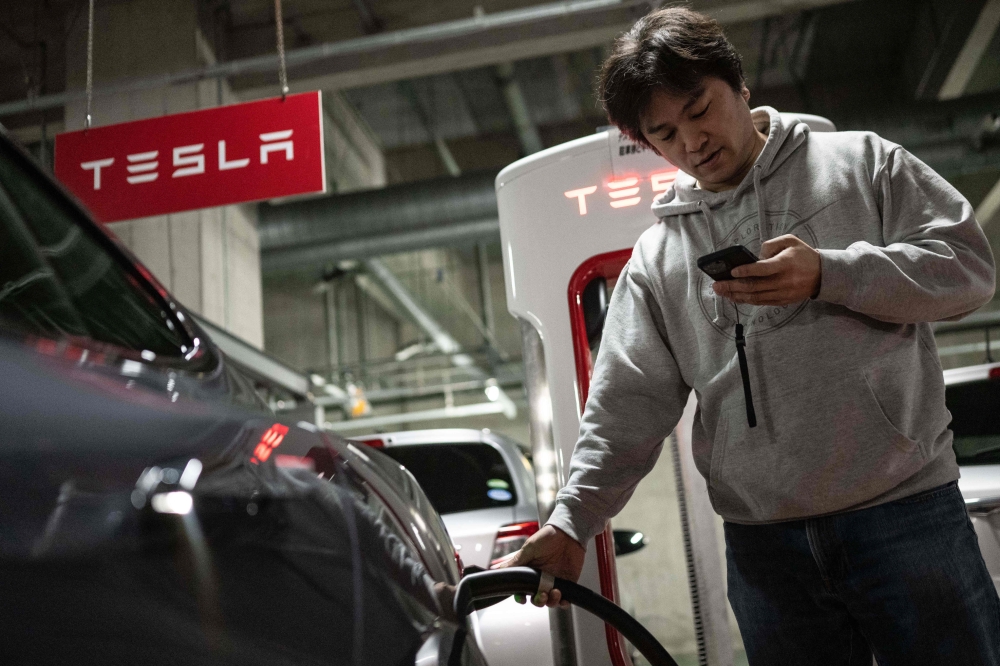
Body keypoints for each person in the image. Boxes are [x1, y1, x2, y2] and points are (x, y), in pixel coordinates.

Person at [494, 7, 1000, 665]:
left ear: (739, 85)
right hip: (767, 552)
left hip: (904, 515)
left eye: (700, 108)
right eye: (666, 133)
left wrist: (830, 273)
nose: (692, 141)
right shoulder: (659, 257)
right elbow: (624, 409)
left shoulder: (864, 164)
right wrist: (571, 522)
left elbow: (968, 270)